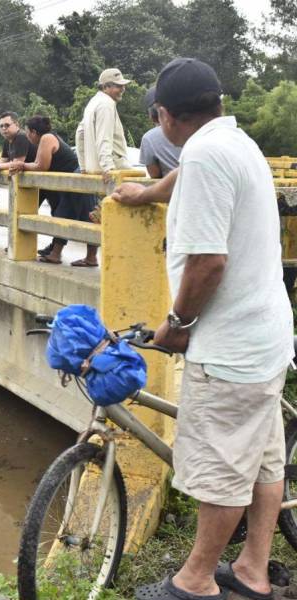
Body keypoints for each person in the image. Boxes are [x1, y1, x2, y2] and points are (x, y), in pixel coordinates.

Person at [127, 58, 294, 600]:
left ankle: (194, 582)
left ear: (165, 117)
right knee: (264, 461)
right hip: (266, 338)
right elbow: (190, 178)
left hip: (231, 351)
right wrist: (149, 194)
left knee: (222, 467)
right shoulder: (236, 142)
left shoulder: (201, 155)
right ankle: (252, 570)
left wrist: (177, 324)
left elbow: (207, 263)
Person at [9, 115, 99, 267]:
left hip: (76, 179)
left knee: (77, 215)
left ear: (33, 132)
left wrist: (22, 165)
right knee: (75, 215)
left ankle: (67, 255)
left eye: (27, 132)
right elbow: (39, 164)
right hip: (73, 180)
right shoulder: (47, 138)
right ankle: (75, 256)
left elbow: (41, 166)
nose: (27, 136)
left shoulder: (47, 138)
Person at [75, 68, 132, 183]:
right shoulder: (106, 104)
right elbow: (104, 138)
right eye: (118, 86)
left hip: (94, 171)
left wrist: (83, 167)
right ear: (105, 87)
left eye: (123, 86)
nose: (123, 89)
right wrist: (108, 168)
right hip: (113, 170)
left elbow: (80, 134)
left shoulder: (93, 103)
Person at [139, 86, 181, 179]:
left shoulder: (149, 138)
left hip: (169, 191)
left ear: (151, 116)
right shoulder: (190, 128)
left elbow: (154, 174)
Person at [0, 112, 35, 181]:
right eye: (1, 126)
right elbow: (3, 160)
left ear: (16, 125)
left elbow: (16, 164)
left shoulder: (21, 137)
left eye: (7, 125)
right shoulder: (7, 139)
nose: (4, 128)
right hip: (23, 179)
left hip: (35, 179)